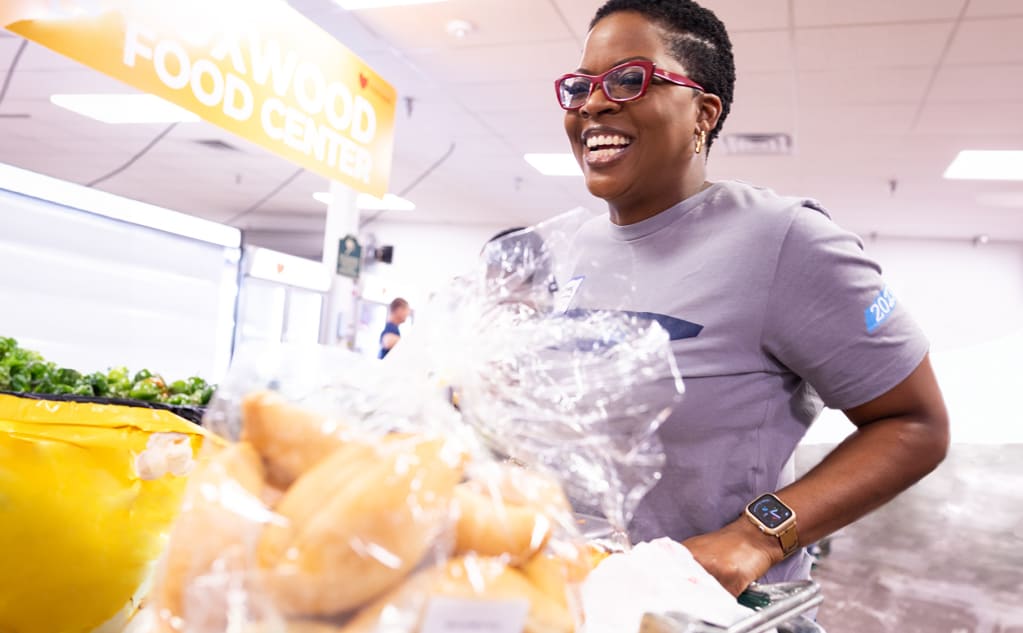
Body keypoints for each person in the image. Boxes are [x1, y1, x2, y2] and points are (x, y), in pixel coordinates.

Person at [555, 0, 949, 595]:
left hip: (716, 613)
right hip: (576, 599)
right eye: (580, 86)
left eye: (629, 79)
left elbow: (916, 424)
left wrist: (756, 537)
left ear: (703, 112)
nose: (593, 103)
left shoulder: (785, 240)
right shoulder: (574, 248)